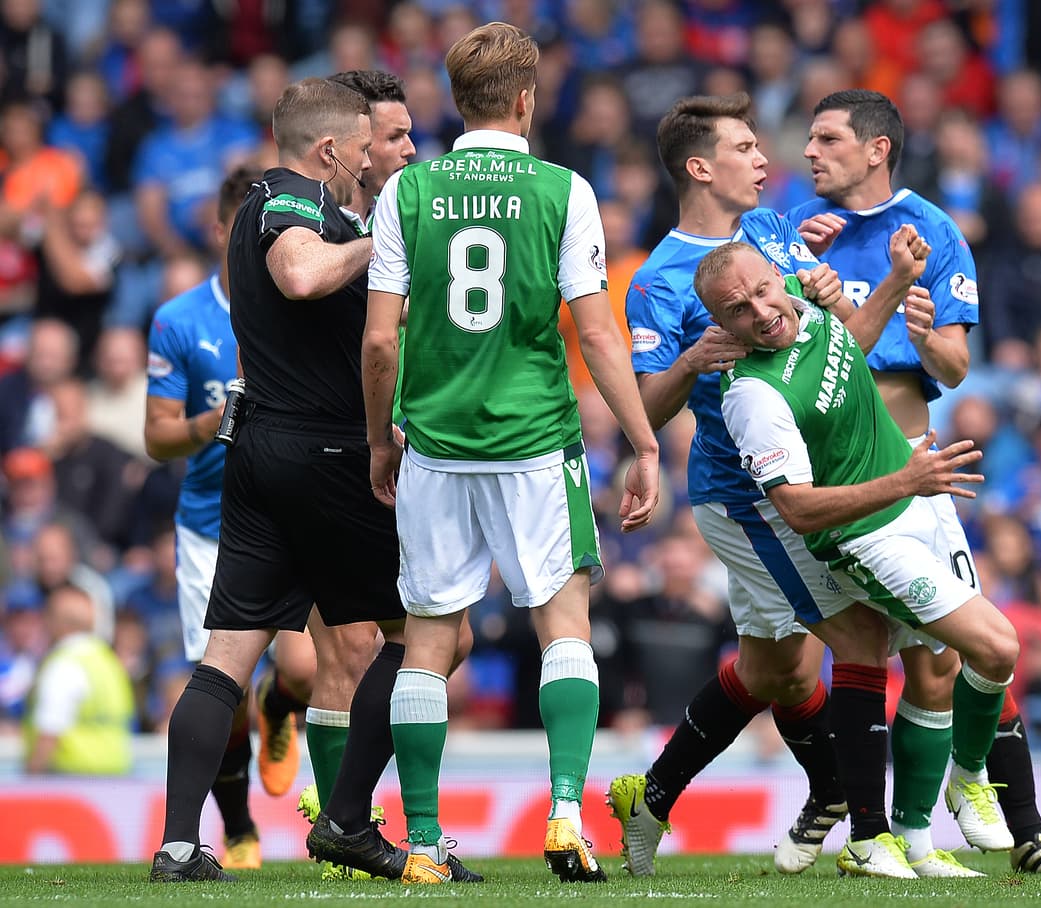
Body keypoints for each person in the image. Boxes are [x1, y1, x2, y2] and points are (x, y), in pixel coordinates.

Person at [608, 92, 981, 881]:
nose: (765, 158)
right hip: (750, 498)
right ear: (702, 166)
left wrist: (864, 286)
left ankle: (654, 795)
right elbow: (642, 409)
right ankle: (869, 830)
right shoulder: (658, 279)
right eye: (745, 147)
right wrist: (690, 361)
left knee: (775, 670)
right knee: (859, 638)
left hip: (819, 470)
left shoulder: (776, 231)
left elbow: (833, 347)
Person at [342, 21, 660, 885]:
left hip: (434, 445)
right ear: (526, 98)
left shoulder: (406, 191)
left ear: (456, 100)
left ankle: (419, 844)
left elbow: (379, 344)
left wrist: (381, 439)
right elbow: (596, 332)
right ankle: (563, 816)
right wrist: (642, 440)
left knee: (429, 639)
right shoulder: (566, 190)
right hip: (533, 441)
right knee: (563, 626)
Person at [787, 87, 1041, 876]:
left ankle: (915, 834)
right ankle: (949, 797)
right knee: (967, 644)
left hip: (918, 462)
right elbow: (799, 359)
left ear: (877, 148)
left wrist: (924, 337)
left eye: (826, 138)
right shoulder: (796, 234)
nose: (809, 152)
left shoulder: (935, 232)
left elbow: (954, 366)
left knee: (941, 664)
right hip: (849, 481)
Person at [148, 78, 407, 885]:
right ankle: (347, 822)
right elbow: (299, 276)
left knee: (227, 657)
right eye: (364, 150)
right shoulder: (290, 203)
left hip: (259, 450)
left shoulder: (267, 200)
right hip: (322, 452)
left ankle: (181, 845)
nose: (369, 164)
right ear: (328, 149)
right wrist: (387, 242)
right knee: (431, 636)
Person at [697, 239, 1019, 875]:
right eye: (738, 310)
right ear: (724, 327)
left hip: (919, 496)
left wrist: (898, 279)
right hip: (871, 535)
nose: (761, 312)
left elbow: (850, 346)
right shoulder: (752, 396)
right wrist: (904, 482)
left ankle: (915, 844)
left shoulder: (804, 294)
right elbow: (796, 508)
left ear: (773, 274)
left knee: (943, 658)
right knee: (997, 647)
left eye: (762, 290)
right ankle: (968, 776)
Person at [299, 67, 481, 885]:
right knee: (390, 642)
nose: (412, 149)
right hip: (351, 456)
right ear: (351, 145)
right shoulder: (324, 225)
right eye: (396, 136)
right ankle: (367, 831)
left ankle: (355, 824)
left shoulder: (399, 216)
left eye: (414, 133)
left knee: (418, 639)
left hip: (401, 449)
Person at [144, 166, 317, 871]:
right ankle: (239, 827)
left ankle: (286, 703)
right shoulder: (180, 319)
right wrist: (216, 421)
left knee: (303, 669)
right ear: (223, 229)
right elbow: (157, 438)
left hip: (292, 513)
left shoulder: (301, 297)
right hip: (212, 523)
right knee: (222, 687)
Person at [22, 585, 134, 776]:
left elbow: (50, 728)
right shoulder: (107, 661)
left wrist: (31, 777)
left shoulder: (64, 664)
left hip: (70, 781)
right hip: (115, 775)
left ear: (56, 622)